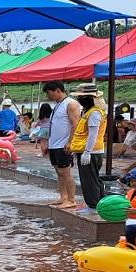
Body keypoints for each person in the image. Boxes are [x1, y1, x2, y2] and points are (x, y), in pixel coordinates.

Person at [68, 83, 107, 209]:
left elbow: (93, 135)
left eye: (81, 97)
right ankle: (101, 203)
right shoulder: (89, 111)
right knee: (94, 178)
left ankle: (93, 205)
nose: (79, 100)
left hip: (91, 151)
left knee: (89, 180)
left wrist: (87, 152)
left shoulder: (94, 113)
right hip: (88, 150)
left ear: (90, 98)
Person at [43, 81, 81, 209]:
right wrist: (49, 143)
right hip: (55, 144)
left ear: (58, 90)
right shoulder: (57, 105)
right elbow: (54, 126)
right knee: (58, 172)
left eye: (49, 93)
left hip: (63, 144)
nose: (48, 96)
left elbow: (76, 124)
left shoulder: (71, 104)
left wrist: (70, 142)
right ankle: (63, 197)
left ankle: (71, 199)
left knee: (65, 172)